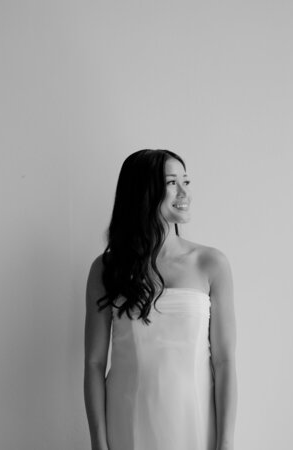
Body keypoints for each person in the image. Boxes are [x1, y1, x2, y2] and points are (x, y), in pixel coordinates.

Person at [84, 149, 237, 450]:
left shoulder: (210, 264)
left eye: (187, 181)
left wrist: (226, 443)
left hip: (195, 423)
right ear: (143, 192)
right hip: (127, 423)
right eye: (171, 183)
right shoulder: (106, 269)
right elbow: (93, 362)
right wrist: (98, 444)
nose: (184, 192)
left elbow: (225, 361)